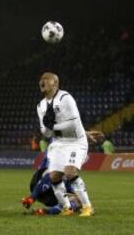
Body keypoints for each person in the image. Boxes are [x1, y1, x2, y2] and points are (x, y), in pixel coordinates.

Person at [35, 72, 94, 216]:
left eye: (46, 79)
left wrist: (52, 126)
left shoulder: (65, 98)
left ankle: (88, 207)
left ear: (55, 83)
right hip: (58, 143)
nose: (42, 82)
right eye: (41, 80)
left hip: (76, 141)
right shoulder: (41, 105)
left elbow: (73, 123)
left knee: (70, 172)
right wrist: (48, 128)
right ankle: (67, 208)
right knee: (54, 176)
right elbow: (46, 132)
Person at [21, 130, 104, 215]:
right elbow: (63, 130)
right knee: (54, 171)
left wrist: (81, 199)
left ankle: (47, 211)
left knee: (78, 199)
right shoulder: (57, 146)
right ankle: (31, 199)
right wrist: (85, 134)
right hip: (38, 183)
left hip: (51, 196)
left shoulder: (69, 167)